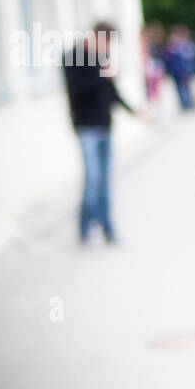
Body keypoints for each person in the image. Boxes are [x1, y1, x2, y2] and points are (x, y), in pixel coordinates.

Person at [62, 21, 140, 244]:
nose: (108, 47)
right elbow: (78, 90)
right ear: (96, 36)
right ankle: (85, 229)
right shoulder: (74, 56)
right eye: (107, 41)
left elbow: (111, 93)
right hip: (86, 127)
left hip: (105, 125)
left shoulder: (101, 57)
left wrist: (134, 111)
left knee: (105, 183)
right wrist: (103, 76)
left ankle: (108, 229)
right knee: (93, 180)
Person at [162, 24, 195, 110]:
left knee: (185, 87)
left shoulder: (185, 45)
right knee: (181, 88)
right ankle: (185, 104)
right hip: (177, 70)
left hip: (184, 70)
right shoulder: (172, 46)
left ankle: (187, 104)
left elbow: (189, 59)